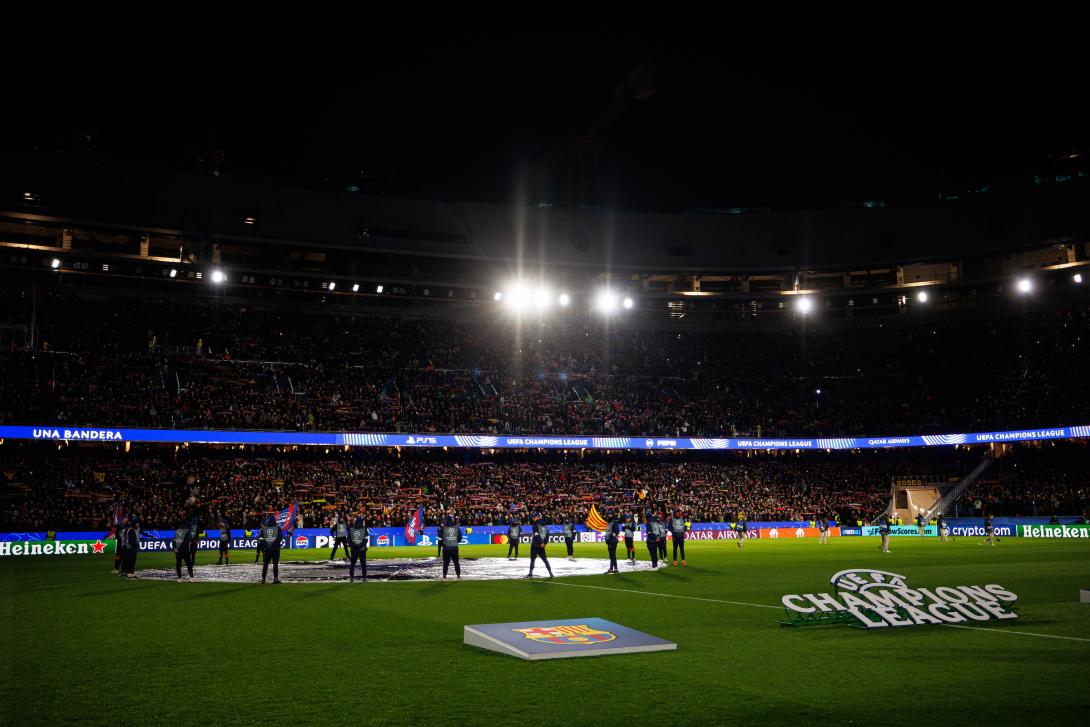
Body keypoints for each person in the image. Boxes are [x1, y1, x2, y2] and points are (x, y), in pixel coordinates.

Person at [526, 514, 553, 578]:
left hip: (535, 545)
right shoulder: (545, 526)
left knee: (533, 559)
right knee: (545, 559)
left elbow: (536, 534)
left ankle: (530, 573)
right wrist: (544, 543)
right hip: (542, 546)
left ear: (537, 517)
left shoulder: (535, 524)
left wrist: (540, 543)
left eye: (534, 517)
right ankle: (550, 573)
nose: (533, 519)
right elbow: (547, 536)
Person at [259, 514, 283, 584]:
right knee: (275, 564)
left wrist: (266, 546)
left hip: (267, 550)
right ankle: (275, 579)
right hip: (276, 549)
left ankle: (263, 579)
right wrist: (275, 545)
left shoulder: (265, 529)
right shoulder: (278, 528)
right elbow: (280, 538)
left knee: (265, 564)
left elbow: (261, 539)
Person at [347, 514, 369, 582]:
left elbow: (348, 540)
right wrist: (359, 546)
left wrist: (354, 546)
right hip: (362, 549)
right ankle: (364, 578)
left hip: (354, 550)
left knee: (352, 564)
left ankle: (351, 577)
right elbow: (365, 540)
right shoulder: (364, 529)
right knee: (363, 564)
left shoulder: (351, 529)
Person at [440, 514, 462, 580]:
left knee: (445, 563)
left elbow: (440, 537)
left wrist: (444, 543)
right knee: (456, 562)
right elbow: (460, 538)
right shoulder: (456, 528)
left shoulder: (443, 528)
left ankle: (444, 576)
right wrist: (455, 541)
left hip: (446, 548)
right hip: (454, 548)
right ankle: (458, 576)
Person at [120, 514, 140, 578]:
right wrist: (136, 545)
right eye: (137, 523)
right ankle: (129, 573)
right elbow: (131, 541)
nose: (138, 524)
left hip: (130, 547)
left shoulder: (131, 529)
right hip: (131, 548)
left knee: (130, 560)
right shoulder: (131, 530)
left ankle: (130, 572)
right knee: (130, 560)